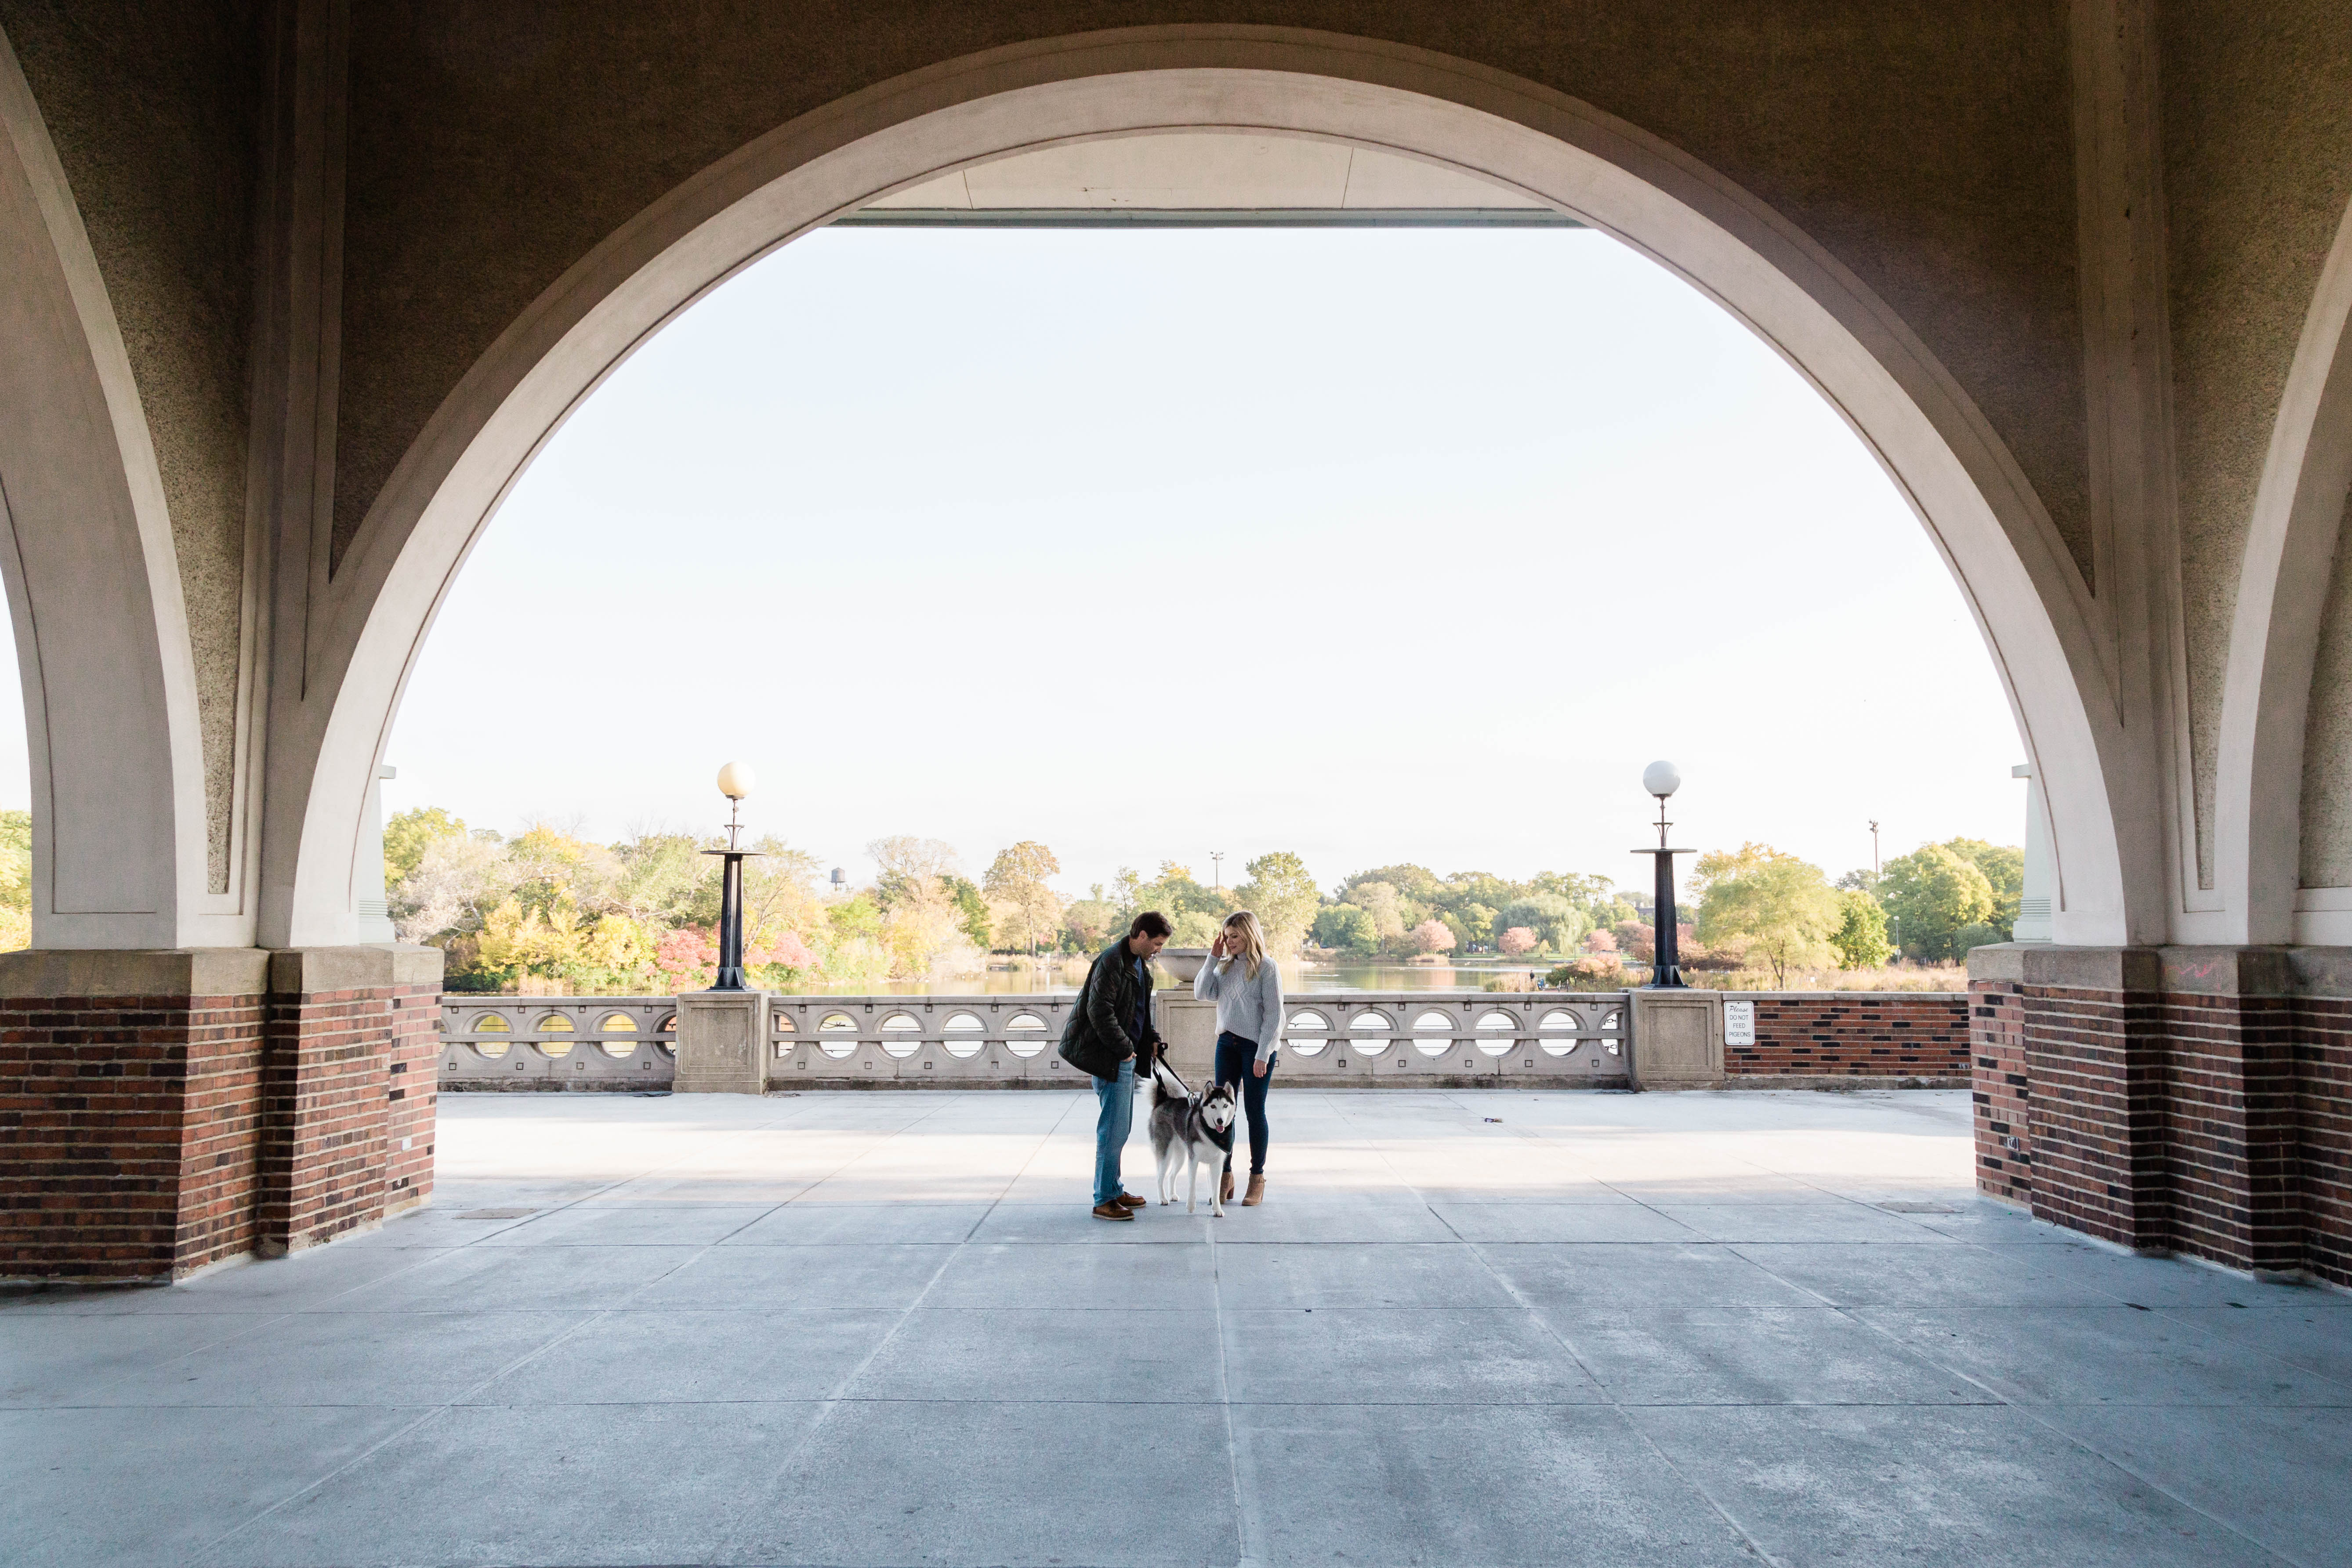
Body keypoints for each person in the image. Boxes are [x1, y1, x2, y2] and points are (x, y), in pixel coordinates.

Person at [1058, 910, 1170, 1220]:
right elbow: (1099, 1012)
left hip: (1125, 1057)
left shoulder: (1140, 967)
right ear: (1142, 935)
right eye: (1157, 943)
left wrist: (1151, 1038)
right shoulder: (1111, 961)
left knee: (1120, 1129)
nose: (1158, 949)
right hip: (1112, 1058)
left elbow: (1139, 1014)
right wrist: (1125, 1051)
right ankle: (1104, 1199)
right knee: (1112, 1131)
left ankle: (1113, 1188)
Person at [1196, 909, 1282, 1206]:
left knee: (1254, 1111)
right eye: (1226, 936)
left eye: (1234, 936)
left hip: (1256, 1048)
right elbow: (1201, 993)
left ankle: (1257, 1177)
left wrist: (1262, 1053)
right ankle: (1225, 1175)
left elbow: (1274, 1016)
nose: (1229, 941)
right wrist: (1212, 958)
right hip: (1227, 1045)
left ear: (1248, 934)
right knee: (1224, 1112)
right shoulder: (1223, 967)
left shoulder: (1267, 968)